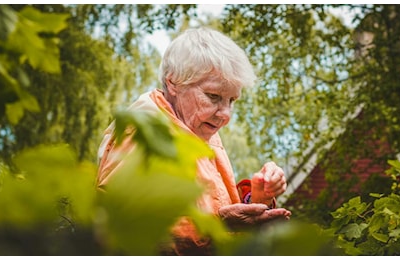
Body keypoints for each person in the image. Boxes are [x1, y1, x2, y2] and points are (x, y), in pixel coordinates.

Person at [96, 27, 291, 255]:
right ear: (174, 83)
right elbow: (116, 228)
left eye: (232, 100)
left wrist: (257, 197)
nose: (225, 114)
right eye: (213, 97)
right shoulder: (142, 133)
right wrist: (216, 224)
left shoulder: (201, 130)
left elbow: (214, 207)